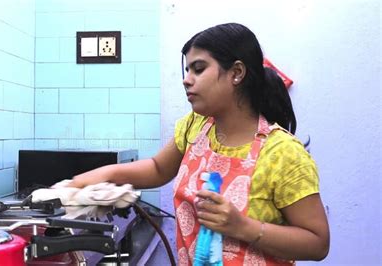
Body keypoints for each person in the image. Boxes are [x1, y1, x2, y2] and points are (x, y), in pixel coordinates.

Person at [53, 22, 330, 265]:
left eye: (199, 68)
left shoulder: (283, 154)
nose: (186, 80)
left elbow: (317, 243)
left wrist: (242, 227)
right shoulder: (196, 127)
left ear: (236, 72)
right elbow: (158, 168)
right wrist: (91, 180)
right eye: (187, 70)